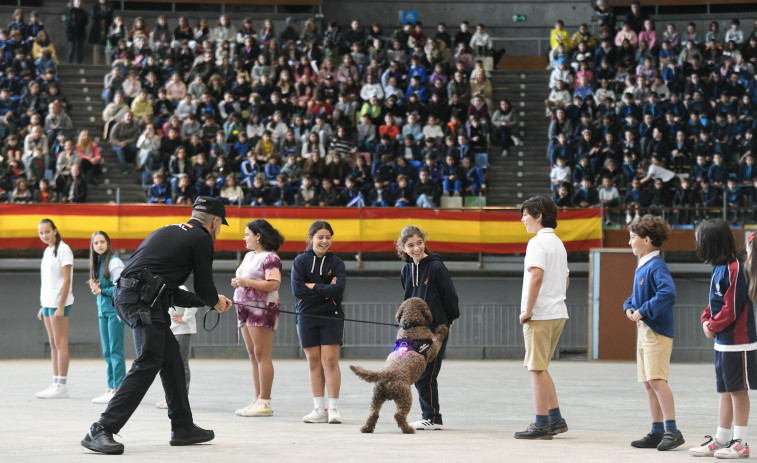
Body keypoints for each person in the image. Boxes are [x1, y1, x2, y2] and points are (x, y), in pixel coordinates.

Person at [81, 196, 233, 455]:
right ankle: (101, 429)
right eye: (220, 226)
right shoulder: (201, 238)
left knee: (171, 360)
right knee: (150, 359)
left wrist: (209, 302)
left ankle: (183, 427)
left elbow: (168, 291)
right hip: (141, 301)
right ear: (215, 222)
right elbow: (205, 287)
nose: (218, 231)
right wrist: (213, 300)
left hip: (138, 296)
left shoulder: (169, 230)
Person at [689, 222, 757, 458]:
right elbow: (714, 302)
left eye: (700, 240)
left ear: (711, 242)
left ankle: (741, 442)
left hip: (739, 342)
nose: (698, 245)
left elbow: (732, 308)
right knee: (724, 390)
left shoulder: (736, 268)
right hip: (722, 341)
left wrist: (713, 326)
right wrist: (705, 320)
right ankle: (722, 439)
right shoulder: (719, 268)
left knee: (738, 390)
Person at [623, 215, 685, 451]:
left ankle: (672, 430)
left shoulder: (656, 265)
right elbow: (635, 297)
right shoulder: (643, 265)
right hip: (645, 329)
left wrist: (643, 310)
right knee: (649, 383)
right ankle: (657, 430)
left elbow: (667, 293)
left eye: (633, 237)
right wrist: (628, 306)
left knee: (657, 381)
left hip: (656, 331)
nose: (630, 242)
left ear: (647, 240)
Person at [513, 196, 569, 439]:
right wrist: (554, 296)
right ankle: (555, 419)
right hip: (557, 312)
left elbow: (536, 276)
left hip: (540, 314)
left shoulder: (537, 243)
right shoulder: (557, 243)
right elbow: (566, 278)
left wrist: (528, 309)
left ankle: (541, 424)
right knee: (542, 368)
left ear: (539, 215)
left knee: (536, 369)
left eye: (526, 214)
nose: (522, 219)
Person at [396, 225, 460, 430]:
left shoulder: (436, 267)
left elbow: (449, 295)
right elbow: (408, 300)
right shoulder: (406, 270)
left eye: (419, 243)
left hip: (435, 329)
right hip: (414, 331)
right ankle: (429, 415)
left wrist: (450, 319)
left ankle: (432, 418)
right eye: (411, 245)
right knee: (417, 373)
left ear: (425, 242)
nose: (416, 248)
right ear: (403, 248)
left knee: (427, 373)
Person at [291, 220, 346, 424]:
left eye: (328, 237)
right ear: (311, 238)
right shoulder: (300, 261)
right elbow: (298, 290)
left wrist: (313, 286)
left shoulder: (337, 263)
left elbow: (338, 291)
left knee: (330, 361)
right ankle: (318, 409)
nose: (324, 241)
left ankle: (333, 408)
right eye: (320, 237)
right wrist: (325, 289)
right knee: (314, 362)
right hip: (306, 316)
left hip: (331, 316)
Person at [232, 219, 285, 417]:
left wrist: (246, 282)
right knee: (253, 355)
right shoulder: (248, 257)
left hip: (261, 309)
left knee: (263, 355)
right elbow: (246, 280)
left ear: (258, 236)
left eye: (247, 234)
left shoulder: (270, 258)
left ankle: (265, 401)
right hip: (244, 308)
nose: (244, 238)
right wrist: (239, 283)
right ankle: (257, 399)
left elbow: (273, 284)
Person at [36, 219, 74, 399]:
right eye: (41, 233)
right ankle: (55, 382)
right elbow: (48, 281)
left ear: (55, 231)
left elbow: (66, 280)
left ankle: (62, 385)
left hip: (60, 303)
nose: (44, 235)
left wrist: (60, 305)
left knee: (60, 342)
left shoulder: (64, 250)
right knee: (53, 343)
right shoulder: (47, 251)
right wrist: (43, 305)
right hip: (48, 303)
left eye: (47, 232)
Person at [88, 231, 126, 405]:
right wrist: (96, 287)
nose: (99, 245)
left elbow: (122, 289)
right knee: (107, 351)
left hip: (114, 312)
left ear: (108, 243)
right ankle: (111, 387)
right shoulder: (97, 262)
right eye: (96, 243)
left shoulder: (115, 261)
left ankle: (118, 389)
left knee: (115, 351)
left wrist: (101, 290)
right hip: (102, 312)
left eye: (102, 242)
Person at [157, 285, 199, 410]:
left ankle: (181, 398)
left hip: (182, 330)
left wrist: (185, 318)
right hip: (171, 330)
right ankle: (172, 397)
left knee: (181, 363)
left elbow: (193, 304)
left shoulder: (180, 288)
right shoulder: (163, 288)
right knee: (171, 364)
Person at [66, 0, 88, 64]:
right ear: (74, 2)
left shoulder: (84, 12)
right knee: (72, 48)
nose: (79, 3)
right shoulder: (71, 11)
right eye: (77, 1)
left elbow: (85, 22)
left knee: (80, 49)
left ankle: (80, 63)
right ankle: (69, 63)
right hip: (72, 33)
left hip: (81, 33)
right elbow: (69, 23)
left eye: (80, 1)